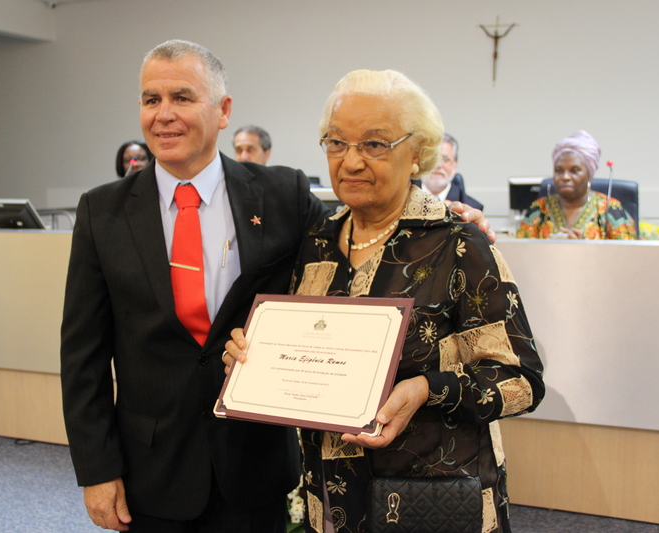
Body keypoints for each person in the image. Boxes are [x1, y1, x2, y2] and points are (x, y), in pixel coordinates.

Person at [61, 39, 495, 533]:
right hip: (151, 468)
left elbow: (364, 225)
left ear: (223, 110)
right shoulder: (101, 212)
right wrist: (96, 470)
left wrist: (444, 217)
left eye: (182, 97)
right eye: (150, 99)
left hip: (255, 466)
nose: (164, 115)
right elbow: (82, 356)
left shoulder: (281, 194)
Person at [224, 69, 544, 533]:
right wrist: (251, 362)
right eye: (336, 142)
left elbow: (522, 381)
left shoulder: (458, 244)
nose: (351, 161)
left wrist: (427, 389)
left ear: (417, 153)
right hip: (332, 500)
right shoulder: (317, 243)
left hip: (428, 501)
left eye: (374, 144)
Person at [516, 130, 635, 239]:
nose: (565, 177)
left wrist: (582, 249)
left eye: (574, 170)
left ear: (589, 174)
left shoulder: (610, 209)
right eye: (559, 170)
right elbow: (521, 252)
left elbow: (627, 253)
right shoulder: (538, 209)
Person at [419, 133, 483, 210]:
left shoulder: (471, 208)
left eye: (445, 159)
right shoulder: (406, 199)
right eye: (432, 158)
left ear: (455, 165)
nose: (438, 165)